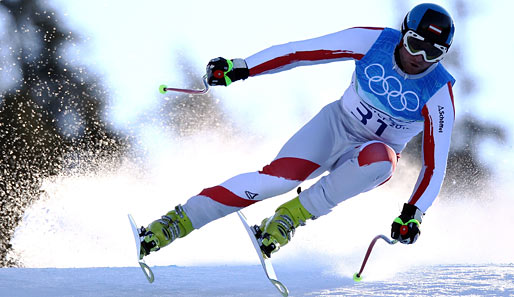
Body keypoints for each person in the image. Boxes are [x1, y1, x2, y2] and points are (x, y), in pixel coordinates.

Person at [138, 3, 456, 259]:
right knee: (274, 182)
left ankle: (289, 218)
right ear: (403, 35)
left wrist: (414, 213)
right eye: (415, 44)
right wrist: (241, 67)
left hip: (368, 154)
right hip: (334, 126)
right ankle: (173, 223)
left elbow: (434, 163)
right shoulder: (374, 42)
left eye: (433, 54)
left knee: (383, 161)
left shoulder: (438, 92)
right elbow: (299, 52)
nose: (419, 59)